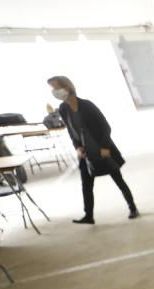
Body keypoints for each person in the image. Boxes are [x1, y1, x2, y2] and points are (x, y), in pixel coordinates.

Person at [47, 76, 137, 224]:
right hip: (85, 153)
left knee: (118, 180)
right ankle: (89, 215)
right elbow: (71, 131)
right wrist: (77, 147)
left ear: (67, 88)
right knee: (86, 185)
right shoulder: (63, 108)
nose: (53, 91)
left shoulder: (87, 105)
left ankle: (132, 207)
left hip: (101, 149)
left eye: (55, 87)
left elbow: (105, 127)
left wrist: (105, 147)